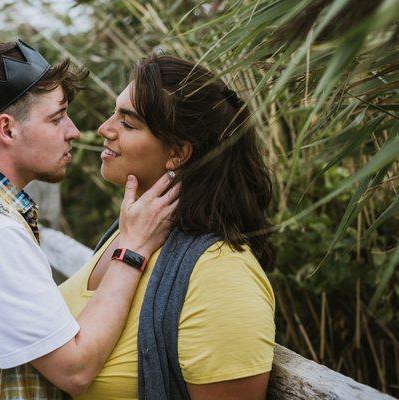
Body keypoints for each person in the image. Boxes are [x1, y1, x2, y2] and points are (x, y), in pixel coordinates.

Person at [0, 40, 179, 399]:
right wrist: (132, 248)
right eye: (57, 117)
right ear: (7, 129)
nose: (74, 131)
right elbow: (75, 369)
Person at [60, 53, 276, 400]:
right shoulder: (129, 233)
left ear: (177, 152)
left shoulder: (220, 275)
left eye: (127, 123)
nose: (104, 129)